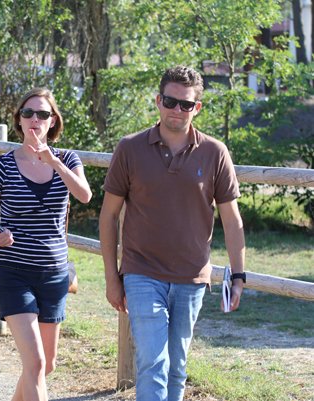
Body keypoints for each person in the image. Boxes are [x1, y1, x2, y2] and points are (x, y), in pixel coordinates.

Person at [99, 66, 246, 401]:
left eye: (186, 104)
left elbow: (232, 220)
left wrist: (238, 276)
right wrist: (111, 277)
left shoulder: (215, 152)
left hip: (192, 277)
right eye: (170, 101)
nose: (177, 109)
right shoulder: (130, 148)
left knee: (177, 366)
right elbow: (108, 216)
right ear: (158, 101)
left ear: (197, 108)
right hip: (141, 273)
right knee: (153, 363)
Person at [0, 88, 92, 401]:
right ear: (19, 120)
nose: (35, 119)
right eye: (28, 113)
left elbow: (84, 195)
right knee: (36, 363)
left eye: (42, 114)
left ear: (53, 121)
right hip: (12, 270)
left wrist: (53, 162)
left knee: (46, 365)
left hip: (54, 273)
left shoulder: (67, 159)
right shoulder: (2, 166)